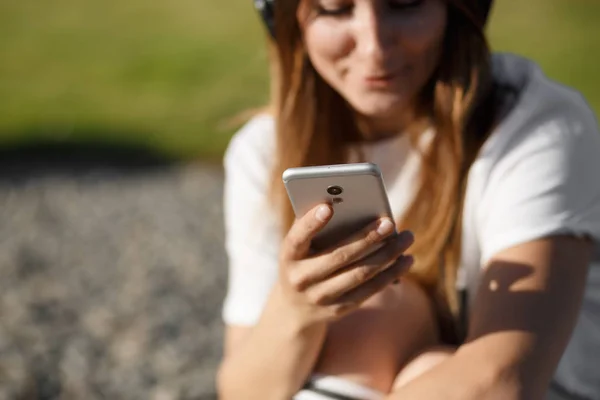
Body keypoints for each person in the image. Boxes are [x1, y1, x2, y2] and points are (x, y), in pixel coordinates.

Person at [217, 0, 600, 399]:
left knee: (409, 345)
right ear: (286, 20)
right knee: (376, 311)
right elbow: (243, 390)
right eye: (334, 8)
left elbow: (501, 382)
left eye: (404, 4)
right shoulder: (264, 149)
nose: (375, 47)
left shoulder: (537, 129)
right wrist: (296, 308)